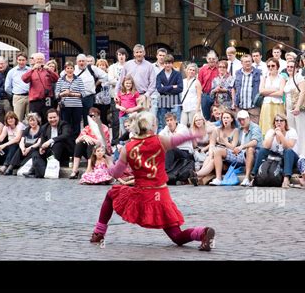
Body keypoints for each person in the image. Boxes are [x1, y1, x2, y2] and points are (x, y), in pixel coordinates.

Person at [89, 111, 216, 251]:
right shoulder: (161, 140)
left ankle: (99, 233)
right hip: (161, 196)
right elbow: (179, 140)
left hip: (141, 195)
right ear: (153, 126)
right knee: (177, 237)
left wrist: (109, 164)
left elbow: (116, 173)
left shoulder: (128, 147)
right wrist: (196, 134)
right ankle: (202, 232)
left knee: (111, 194)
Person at [211, 110, 262, 186]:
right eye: (240, 120)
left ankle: (247, 178)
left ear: (248, 118)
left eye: (243, 119)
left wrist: (241, 147)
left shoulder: (255, 127)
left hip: (254, 155)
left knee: (250, 148)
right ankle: (218, 178)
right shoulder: (239, 128)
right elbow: (229, 139)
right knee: (218, 151)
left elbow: (254, 142)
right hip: (240, 154)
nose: (242, 122)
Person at [250, 113, 299, 188]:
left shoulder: (291, 131)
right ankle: (254, 176)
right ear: (274, 122)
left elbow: (288, 146)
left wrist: (281, 135)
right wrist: (273, 135)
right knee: (262, 151)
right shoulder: (271, 131)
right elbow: (266, 146)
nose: (279, 122)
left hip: (290, 158)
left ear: (285, 122)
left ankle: (286, 179)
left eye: (281, 120)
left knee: (288, 151)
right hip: (275, 157)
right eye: (277, 121)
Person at [192, 109, 238, 185]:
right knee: (209, 158)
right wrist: (210, 154)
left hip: (227, 154)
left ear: (232, 119)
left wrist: (224, 140)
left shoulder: (235, 131)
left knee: (213, 159)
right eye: (224, 118)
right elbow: (212, 144)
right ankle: (198, 177)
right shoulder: (217, 130)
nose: (225, 120)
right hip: (215, 152)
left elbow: (233, 147)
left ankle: (197, 174)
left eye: (227, 118)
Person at [25, 109, 74, 178]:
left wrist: (51, 140)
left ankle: (36, 170)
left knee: (58, 143)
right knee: (35, 151)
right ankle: (41, 173)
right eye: (50, 118)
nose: (53, 119)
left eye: (54, 117)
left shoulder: (64, 124)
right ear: (47, 118)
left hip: (63, 154)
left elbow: (65, 135)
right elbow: (42, 140)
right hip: (50, 155)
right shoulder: (45, 127)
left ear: (58, 117)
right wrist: (41, 148)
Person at [70, 107, 112, 179]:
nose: (92, 118)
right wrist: (84, 137)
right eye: (90, 116)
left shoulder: (103, 128)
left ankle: (89, 168)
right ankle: (75, 170)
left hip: (102, 151)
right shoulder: (87, 127)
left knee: (91, 144)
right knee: (79, 144)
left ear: (98, 116)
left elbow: (101, 142)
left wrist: (89, 138)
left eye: (94, 115)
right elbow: (77, 140)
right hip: (90, 152)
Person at [22, 52, 59, 123]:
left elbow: (56, 78)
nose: (39, 61)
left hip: (47, 99)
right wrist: (33, 69)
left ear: (44, 60)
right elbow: (24, 79)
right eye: (38, 59)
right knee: (35, 119)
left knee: (47, 118)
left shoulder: (47, 70)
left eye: (41, 59)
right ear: (35, 61)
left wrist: (49, 70)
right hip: (35, 100)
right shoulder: (31, 71)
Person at [117, 44, 156, 111]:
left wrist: (146, 95)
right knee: (130, 120)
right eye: (137, 52)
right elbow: (121, 81)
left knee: (143, 120)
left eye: (141, 52)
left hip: (143, 96)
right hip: (129, 96)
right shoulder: (127, 65)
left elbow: (153, 83)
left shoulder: (149, 66)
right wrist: (116, 94)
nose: (139, 54)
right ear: (134, 54)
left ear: (144, 53)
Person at [283, 59, 305, 156]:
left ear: (296, 68)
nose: (289, 68)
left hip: (298, 106)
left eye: (292, 67)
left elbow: (303, 92)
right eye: (288, 66)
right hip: (289, 107)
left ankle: (302, 153)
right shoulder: (288, 79)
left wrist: (297, 107)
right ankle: (294, 152)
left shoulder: (299, 77)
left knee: (300, 130)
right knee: (292, 130)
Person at [55, 61, 86, 137]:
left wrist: (72, 94)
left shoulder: (79, 79)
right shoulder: (60, 80)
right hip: (65, 106)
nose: (69, 70)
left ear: (74, 69)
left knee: (76, 124)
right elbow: (56, 94)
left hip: (77, 106)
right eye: (68, 68)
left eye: (71, 68)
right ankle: (66, 139)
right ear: (65, 70)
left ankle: (76, 139)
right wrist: (63, 93)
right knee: (66, 124)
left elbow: (83, 93)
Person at [232, 54, 262, 124]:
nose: (248, 63)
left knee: (254, 129)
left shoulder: (258, 73)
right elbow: (233, 88)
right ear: (241, 63)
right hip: (240, 107)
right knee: (240, 129)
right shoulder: (237, 73)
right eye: (245, 62)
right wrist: (234, 102)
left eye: (249, 61)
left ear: (252, 62)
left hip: (254, 108)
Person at [156, 55, 183, 131]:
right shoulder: (159, 75)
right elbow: (159, 89)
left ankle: (176, 139)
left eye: (169, 63)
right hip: (163, 102)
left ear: (172, 64)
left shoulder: (177, 74)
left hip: (175, 101)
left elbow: (180, 88)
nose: (167, 65)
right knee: (164, 123)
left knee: (176, 122)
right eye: (166, 63)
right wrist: (172, 86)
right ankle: (166, 140)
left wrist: (165, 88)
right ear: (163, 64)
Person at [258, 58, 285, 135]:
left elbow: (280, 93)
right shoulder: (264, 77)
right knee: (266, 124)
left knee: (278, 124)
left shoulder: (281, 78)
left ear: (277, 67)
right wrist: (274, 89)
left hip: (278, 104)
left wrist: (267, 92)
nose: (270, 67)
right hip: (266, 104)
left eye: (273, 65)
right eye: (268, 66)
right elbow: (261, 91)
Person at [108, 48, 128, 144]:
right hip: (115, 96)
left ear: (125, 56)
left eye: (123, 55)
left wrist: (118, 80)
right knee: (115, 120)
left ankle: (126, 139)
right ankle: (115, 140)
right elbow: (110, 80)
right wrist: (123, 82)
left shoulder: (129, 66)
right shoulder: (112, 67)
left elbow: (132, 80)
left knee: (127, 119)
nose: (121, 56)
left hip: (128, 96)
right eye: (119, 54)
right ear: (117, 56)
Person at [5, 53, 30, 123]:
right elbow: (7, 87)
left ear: (26, 61)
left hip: (30, 96)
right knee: (18, 119)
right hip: (18, 97)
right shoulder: (12, 72)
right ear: (17, 60)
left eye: (23, 60)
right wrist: (15, 93)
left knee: (31, 118)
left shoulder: (30, 70)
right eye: (20, 60)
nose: (21, 62)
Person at [198, 50, 219, 120]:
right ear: (207, 59)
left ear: (216, 59)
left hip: (217, 95)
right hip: (205, 95)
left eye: (213, 59)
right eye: (209, 59)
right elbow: (199, 83)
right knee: (206, 117)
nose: (211, 60)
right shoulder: (202, 70)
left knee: (217, 116)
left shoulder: (219, 69)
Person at [180, 63, 202, 128]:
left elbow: (199, 96)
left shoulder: (197, 82)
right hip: (184, 107)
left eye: (193, 70)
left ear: (195, 72)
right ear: (187, 70)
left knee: (193, 126)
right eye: (190, 69)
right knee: (183, 126)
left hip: (193, 107)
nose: (191, 71)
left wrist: (197, 109)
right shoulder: (183, 81)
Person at [0, 56, 12, 124]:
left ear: (6, 63)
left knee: (9, 118)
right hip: (0, 100)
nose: (0, 65)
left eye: (2, 64)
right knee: (0, 120)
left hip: (7, 100)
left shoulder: (11, 72)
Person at [94, 59, 112, 125]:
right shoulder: (95, 76)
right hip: (96, 100)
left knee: (104, 117)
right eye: (100, 65)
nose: (101, 67)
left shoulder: (109, 75)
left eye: (103, 65)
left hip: (106, 100)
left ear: (106, 66)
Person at [151, 48, 167, 118]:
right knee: (153, 118)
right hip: (154, 95)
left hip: (165, 96)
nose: (162, 57)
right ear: (157, 56)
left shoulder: (168, 67)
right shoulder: (151, 67)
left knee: (163, 119)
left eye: (163, 56)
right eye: (160, 55)